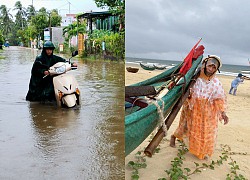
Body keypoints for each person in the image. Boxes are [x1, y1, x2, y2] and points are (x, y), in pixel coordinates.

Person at [169, 55, 229, 160]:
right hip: (193, 109)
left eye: (214, 68)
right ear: (205, 64)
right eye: (210, 66)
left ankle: (202, 151)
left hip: (208, 112)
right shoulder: (194, 79)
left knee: (206, 132)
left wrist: (223, 113)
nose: (211, 69)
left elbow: (219, 98)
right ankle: (173, 137)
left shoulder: (216, 83)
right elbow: (183, 90)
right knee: (185, 126)